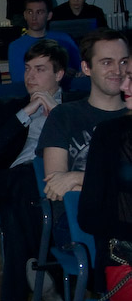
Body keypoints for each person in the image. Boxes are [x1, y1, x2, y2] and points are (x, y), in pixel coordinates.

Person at [0, 40, 74, 301]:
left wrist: (60, 116)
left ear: (59, 74)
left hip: (65, 188)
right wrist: (24, 114)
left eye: (40, 69)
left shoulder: (76, 109)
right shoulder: (7, 107)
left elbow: (90, 156)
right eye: (28, 69)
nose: (30, 76)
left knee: (22, 220)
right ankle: (40, 296)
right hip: (19, 184)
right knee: (23, 189)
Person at [37, 28, 129, 244]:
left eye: (124, 62)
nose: (118, 70)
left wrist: (76, 178)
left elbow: (68, 181)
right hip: (75, 218)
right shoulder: (64, 115)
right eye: (106, 62)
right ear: (86, 68)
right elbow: (57, 186)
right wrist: (117, 185)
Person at [78, 60, 132, 301]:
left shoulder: (111, 133)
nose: (124, 84)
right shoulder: (110, 134)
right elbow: (89, 217)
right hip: (123, 264)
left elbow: (90, 216)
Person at [7, 0, 81, 82]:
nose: (34, 17)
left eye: (39, 12)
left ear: (49, 15)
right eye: (30, 12)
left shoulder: (65, 39)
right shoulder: (16, 46)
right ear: (25, 15)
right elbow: (19, 81)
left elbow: (80, 70)